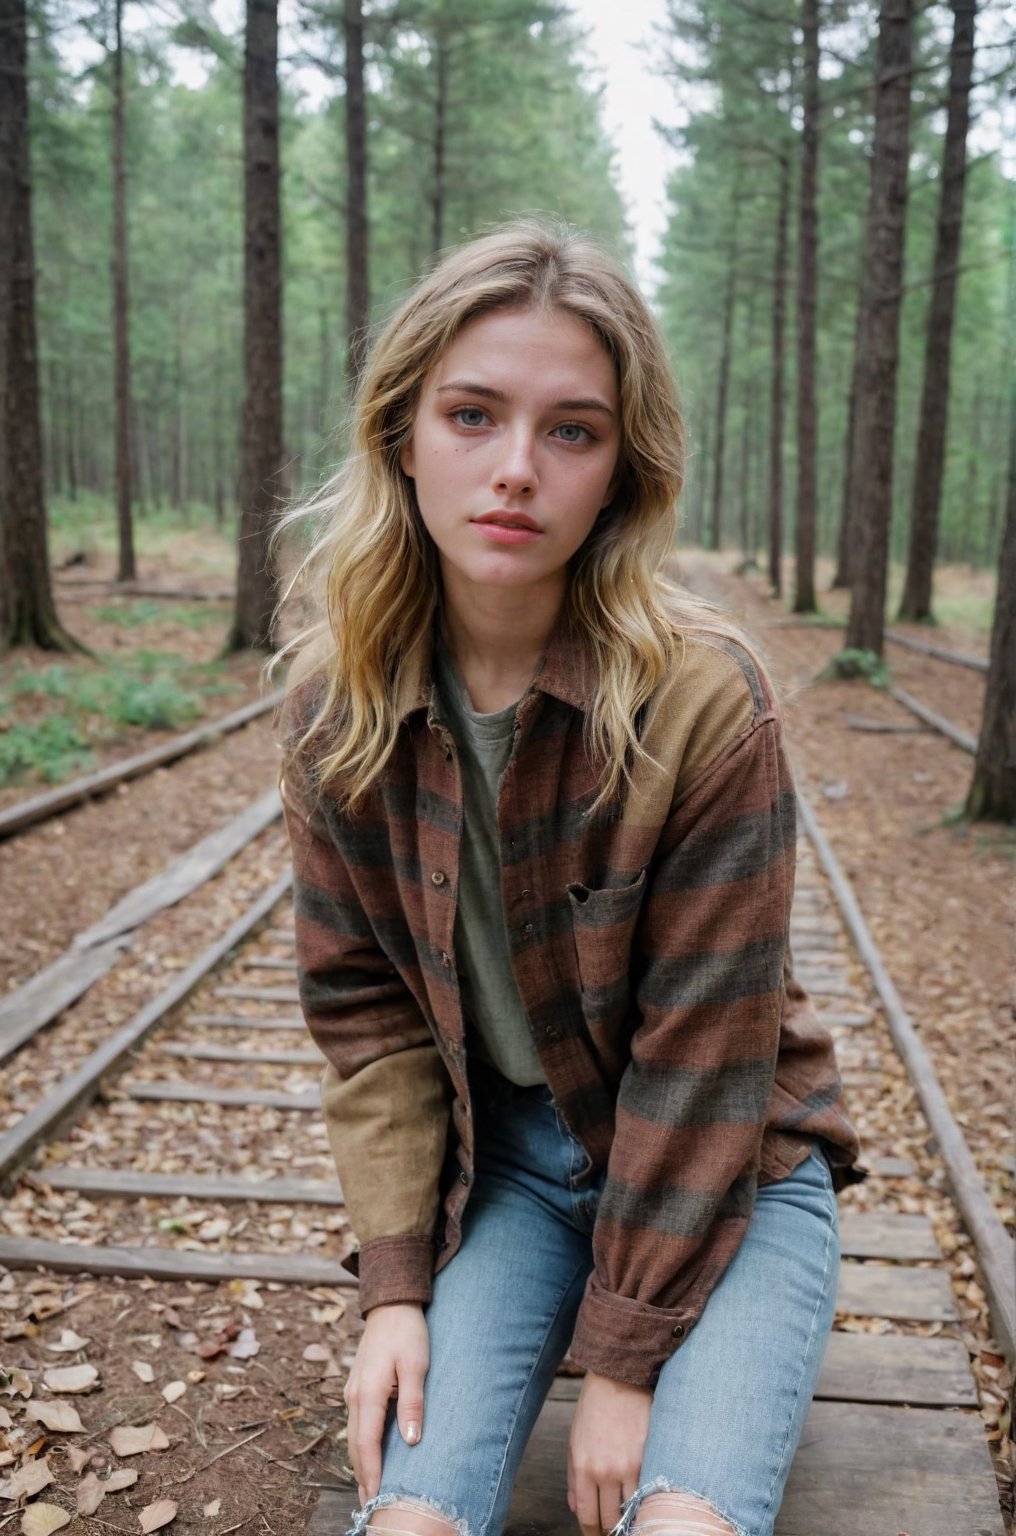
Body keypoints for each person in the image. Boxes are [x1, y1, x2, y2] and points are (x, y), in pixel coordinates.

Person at [277, 219, 862, 1536]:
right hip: (523, 1174)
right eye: (473, 415)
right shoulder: (337, 709)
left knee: (680, 1521)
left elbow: (704, 1061)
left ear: (621, 472)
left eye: (573, 431)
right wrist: (396, 1289)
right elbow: (363, 1009)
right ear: (400, 434)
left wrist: (623, 1362)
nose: (516, 471)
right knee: (410, 1520)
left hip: (738, 1170)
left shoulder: (705, 702)